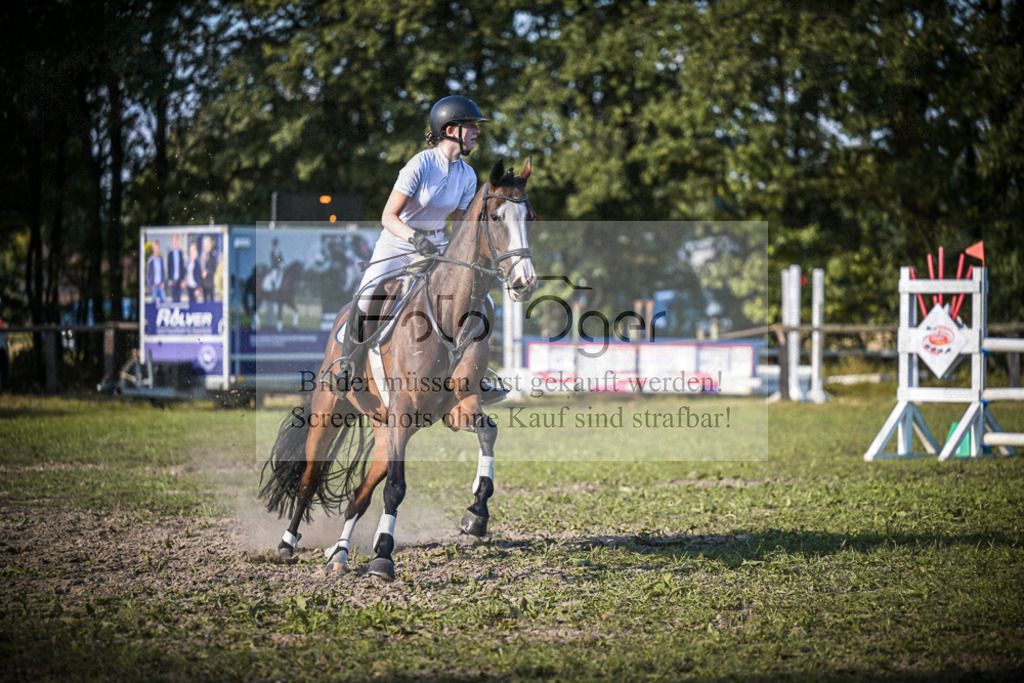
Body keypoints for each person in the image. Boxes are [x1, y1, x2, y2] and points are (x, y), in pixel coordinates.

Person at [324, 95, 487, 393]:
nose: (477, 132)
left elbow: (461, 225)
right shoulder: (420, 165)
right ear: (451, 129)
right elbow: (388, 216)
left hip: (436, 246)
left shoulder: (468, 175)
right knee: (367, 294)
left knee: (471, 297)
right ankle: (347, 364)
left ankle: (476, 372)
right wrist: (415, 238)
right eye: (471, 126)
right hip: (398, 242)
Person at [167, 234, 186, 302]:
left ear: (178, 241)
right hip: (173, 281)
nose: (175, 241)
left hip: (179, 280)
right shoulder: (170, 253)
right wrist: (170, 280)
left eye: (176, 240)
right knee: (173, 299)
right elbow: (169, 267)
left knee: (179, 299)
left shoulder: (180, 252)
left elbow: (182, 267)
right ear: (172, 241)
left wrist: (183, 279)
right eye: (174, 240)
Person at [200, 236, 218, 302]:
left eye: (207, 245)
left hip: (210, 283)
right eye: (204, 245)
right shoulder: (202, 255)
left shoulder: (213, 255)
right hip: (203, 284)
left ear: (210, 245)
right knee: (204, 301)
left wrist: (207, 273)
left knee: (211, 301)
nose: (205, 247)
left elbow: (214, 268)